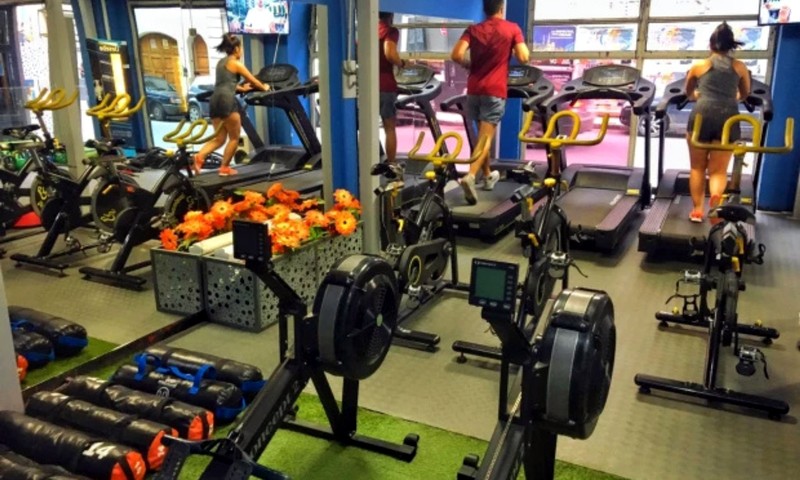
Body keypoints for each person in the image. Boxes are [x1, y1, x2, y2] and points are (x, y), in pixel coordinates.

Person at [450, 0, 529, 205]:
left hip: (474, 89)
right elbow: (524, 57)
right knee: (486, 139)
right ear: (502, 8)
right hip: (494, 90)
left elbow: (456, 54)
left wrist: (469, 63)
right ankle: (470, 175)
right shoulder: (512, 28)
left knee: (480, 139)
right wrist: (511, 49)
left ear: (484, 9)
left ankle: (487, 175)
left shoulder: (473, 29)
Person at [685, 22, 749, 223]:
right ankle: (715, 206)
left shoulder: (699, 66)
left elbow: (688, 93)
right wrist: (733, 98)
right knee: (718, 171)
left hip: (701, 115)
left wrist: (698, 96)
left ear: (710, 45)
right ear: (731, 46)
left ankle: (697, 210)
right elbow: (745, 94)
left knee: (697, 168)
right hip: (728, 117)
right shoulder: (739, 67)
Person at [194, 34, 269, 176]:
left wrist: (241, 89)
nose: (241, 51)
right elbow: (252, 80)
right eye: (240, 48)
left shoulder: (220, 63)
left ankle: (199, 156)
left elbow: (224, 83)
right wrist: (264, 87)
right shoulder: (236, 63)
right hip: (227, 100)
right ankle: (224, 168)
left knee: (219, 139)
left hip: (214, 99)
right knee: (234, 137)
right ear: (236, 48)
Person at [378, 11, 406, 166]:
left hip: (366, 85)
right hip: (385, 85)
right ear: (391, 15)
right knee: (389, 128)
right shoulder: (390, 31)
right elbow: (390, 53)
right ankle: (391, 164)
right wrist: (401, 63)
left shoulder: (365, 30)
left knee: (365, 126)